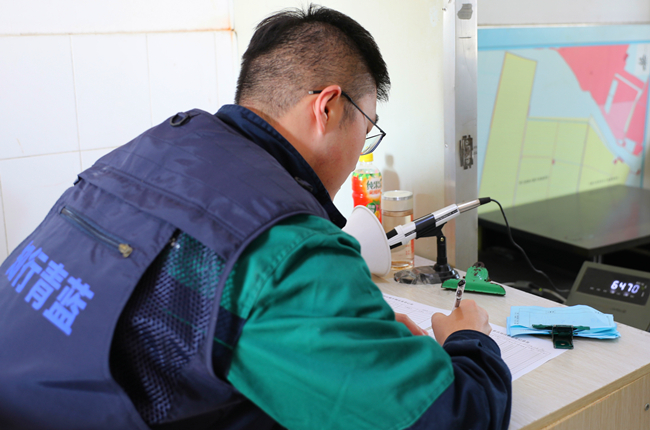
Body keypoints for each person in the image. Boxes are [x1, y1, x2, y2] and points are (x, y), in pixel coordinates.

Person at [0, 5, 511, 430]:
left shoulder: (146, 153)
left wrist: (346, 333)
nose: (362, 150)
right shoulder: (287, 244)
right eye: (368, 129)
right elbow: (452, 418)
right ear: (328, 108)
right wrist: (470, 340)